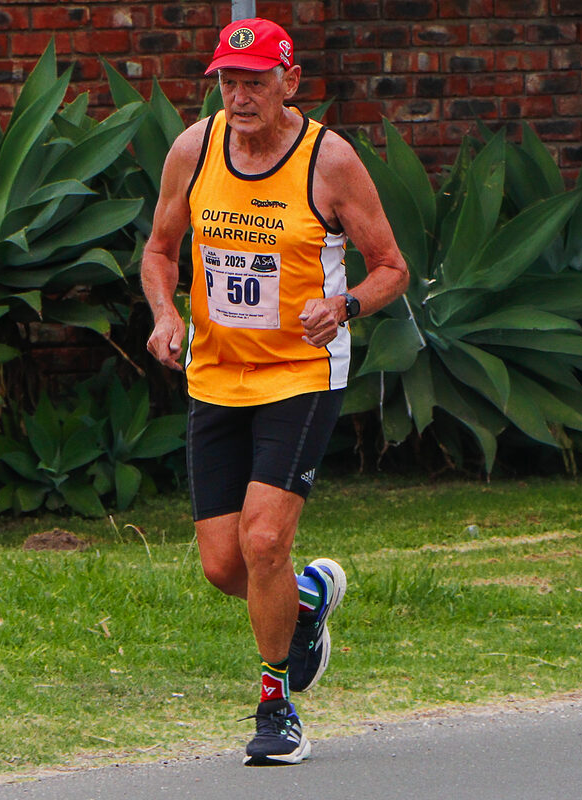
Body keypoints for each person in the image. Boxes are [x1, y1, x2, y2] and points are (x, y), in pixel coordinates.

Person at [141, 17, 409, 766]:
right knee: (224, 566)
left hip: (300, 373)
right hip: (217, 374)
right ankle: (311, 599)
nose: (240, 94)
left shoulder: (330, 161)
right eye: (229, 80)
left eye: (256, 80)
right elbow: (160, 251)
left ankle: (275, 705)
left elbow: (392, 267)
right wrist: (165, 315)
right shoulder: (194, 150)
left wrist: (345, 304)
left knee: (264, 541)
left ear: (291, 82)